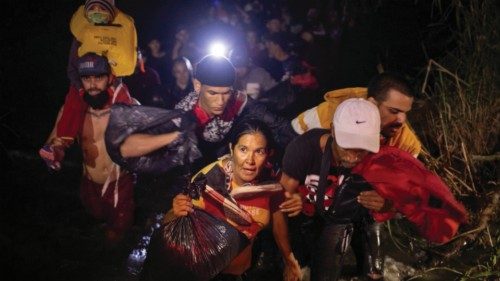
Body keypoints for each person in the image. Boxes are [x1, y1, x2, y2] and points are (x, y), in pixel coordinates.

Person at [280, 98, 468, 280]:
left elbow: (418, 197)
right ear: (333, 131)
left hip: (366, 215)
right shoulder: (303, 149)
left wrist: (389, 206)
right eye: (348, 145)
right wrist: (288, 257)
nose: (354, 156)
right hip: (330, 215)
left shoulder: (386, 160)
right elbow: (280, 202)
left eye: (361, 148)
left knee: (372, 273)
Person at [167, 119, 302, 280]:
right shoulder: (207, 181)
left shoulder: (270, 182)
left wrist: (289, 259)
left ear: (268, 154)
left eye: (259, 152)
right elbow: (169, 223)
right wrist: (176, 212)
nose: (250, 161)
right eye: (243, 149)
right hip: (205, 271)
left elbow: (278, 220)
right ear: (232, 148)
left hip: (241, 270)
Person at [39, 53, 135, 243]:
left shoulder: (127, 108)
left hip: (119, 183)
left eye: (98, 77)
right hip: (89, 182)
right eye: (86, 78)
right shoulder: (71, 113)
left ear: (109, 78)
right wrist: (53, 155)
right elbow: (53, 143)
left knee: (116, 235)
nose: (92, 85)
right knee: (95, 222)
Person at [292, 72, 422, 157]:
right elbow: (292, 148)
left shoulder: (407, 146)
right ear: (372, 103)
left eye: (405, 113)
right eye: (394, 111)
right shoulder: (326, 115)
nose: (402, 120)